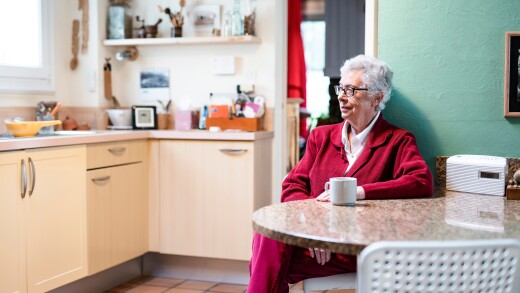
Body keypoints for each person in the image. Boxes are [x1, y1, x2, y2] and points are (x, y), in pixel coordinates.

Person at [247, 55, 433, 292]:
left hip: (358, 246)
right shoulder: (320, 137)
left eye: (352, 90)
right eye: (341, 88)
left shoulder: (398, 140)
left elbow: (421, 181)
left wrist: (358, 192)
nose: (342, 97)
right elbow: (292, 185)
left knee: (265, 257)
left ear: (377, 98)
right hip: (316, 243)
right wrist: (314, 228)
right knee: (270, 233)